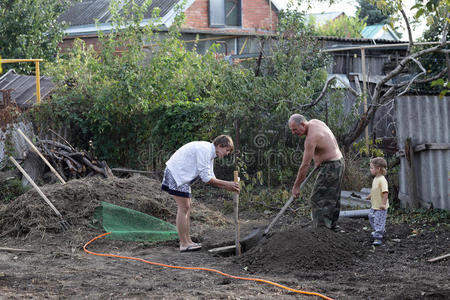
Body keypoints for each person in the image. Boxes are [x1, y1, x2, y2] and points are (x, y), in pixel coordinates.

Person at [161, 135, 240, 252]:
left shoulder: (210, 153)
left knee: (187, 207)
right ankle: (183, 243)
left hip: (182, 176)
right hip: (177, 173)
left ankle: (188, 241)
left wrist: (228, 186)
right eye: (227, 150)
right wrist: (228, 184)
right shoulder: (205, 150)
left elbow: (211, 176)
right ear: (219, 145)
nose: (227, 153)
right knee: (183, 207)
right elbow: (206, 179)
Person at [288, 114, 345, 229]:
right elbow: (327, 142)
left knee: (317, 198)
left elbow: (305, 165)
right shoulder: (315, 122)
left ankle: (321, 230)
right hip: (339, 162)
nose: (293, 133)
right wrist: (319, 159)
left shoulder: (311, 139)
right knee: (332, 196)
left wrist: (296, 186)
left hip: (331, 166)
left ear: (303, 124)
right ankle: (332, 226)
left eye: (294, 129)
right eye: (291, 130)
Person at [367, 157, 389, 246]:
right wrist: (370, 195)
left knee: (378, 221)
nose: (370, 169)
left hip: (380, 206)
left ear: (378, 169)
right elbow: (375, 190)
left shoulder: (382, 180)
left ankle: (378, 237)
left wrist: (383, 204)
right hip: (374, 205)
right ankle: (379, 230)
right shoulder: (376, 178)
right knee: (371, 217)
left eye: (372, 168)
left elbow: (385, 192)